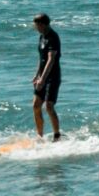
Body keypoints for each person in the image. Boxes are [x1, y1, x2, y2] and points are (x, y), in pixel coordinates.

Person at [31, 13, 61, 141]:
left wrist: (43, 78)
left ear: (43, 24)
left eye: (37, 25)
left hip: (52, 77)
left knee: (49, 106)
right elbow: (41, 59)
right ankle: (40, 136)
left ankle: (57, 135)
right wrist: (37, 75)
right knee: (36, 105)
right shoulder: (41, 37)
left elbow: (51, 59)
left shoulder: (53, 37)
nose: (36, 27)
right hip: (42, 76)